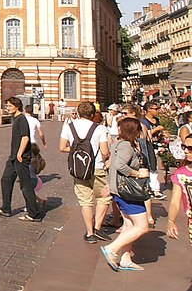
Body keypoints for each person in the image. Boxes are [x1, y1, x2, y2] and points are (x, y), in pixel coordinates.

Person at [101, 117, 151, 271]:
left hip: (120, 190)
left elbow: (112, 166)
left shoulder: (119, 144)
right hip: (128, 192)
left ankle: (125, 258)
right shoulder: (126, 146)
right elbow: (120, 165)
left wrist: (110, 185)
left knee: (129, 224)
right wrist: (137, 173)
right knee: (143, 226)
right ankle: (112, 248)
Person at [59, 100, 111, 244]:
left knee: (85, 201)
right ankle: (98, 227)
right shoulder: (99, 129)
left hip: (79, 168)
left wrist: (77, 150)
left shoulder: (69, 127)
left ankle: (90, 233)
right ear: (93, 114)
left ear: (78, 113)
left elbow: (62, 147)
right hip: (97, 167)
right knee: (103, 198)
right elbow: (105, 152)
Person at [0, 96, 41, 222]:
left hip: (21, 157)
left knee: (25, 185)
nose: (7, 108)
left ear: (17, 106)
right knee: (6, 179)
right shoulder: (16, 118)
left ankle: (34, 214)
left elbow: (25, 138)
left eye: (9, 106)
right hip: (13, 157)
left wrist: (19, 154)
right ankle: (6, 208)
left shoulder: (21, 119)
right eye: (6, 106)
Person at [167, 133, 192, 247]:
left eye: (190, 148)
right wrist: (171, 221)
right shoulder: (181, 173)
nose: (186, 151)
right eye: (184, 147)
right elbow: (175, 202)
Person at [141, 100, 166, 200]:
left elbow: (157, 134)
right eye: (155, 109)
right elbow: (145, 134)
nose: (157, 111)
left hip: (156, 145)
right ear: (148, 110)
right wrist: (156, 129)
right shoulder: (143, 122)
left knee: (156, 166)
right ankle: (154, 189)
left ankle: (153, 187)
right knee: (151, 166)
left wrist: (162, 135)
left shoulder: (156, 120)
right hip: (148, 146)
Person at [30, 143, 47, 208]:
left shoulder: (31, 160)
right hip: (35, 179)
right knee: (30, 193)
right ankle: (40, 200)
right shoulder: (36, 159)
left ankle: (30, 206)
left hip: (31, 179)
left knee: (27, 193)